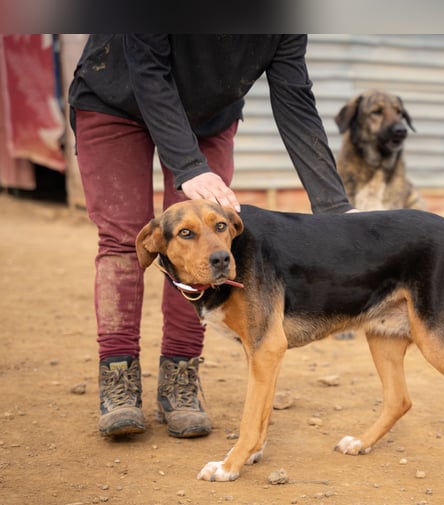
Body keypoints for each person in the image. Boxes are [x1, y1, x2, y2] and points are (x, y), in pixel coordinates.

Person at [68, 35, 353, 439]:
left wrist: (334, 207)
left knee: (204, 244)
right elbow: (148, 70)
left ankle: (180, 375)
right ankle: (118, 377)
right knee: (123, 239)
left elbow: (295, 99)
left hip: (207, 116)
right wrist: (189, 166)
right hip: (116, 96)